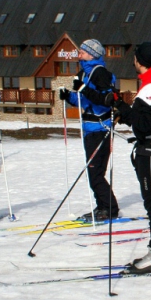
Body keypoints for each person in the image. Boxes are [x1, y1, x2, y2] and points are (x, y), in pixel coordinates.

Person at [108, 42, 151, 274]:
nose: (133, 61)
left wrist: (125, 110)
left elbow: (143, 124)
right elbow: (143, 117)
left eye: (135, 58)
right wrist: (121, 106)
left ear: (140, 61)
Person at [58, 39, 120, 222]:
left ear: (92, 54)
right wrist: (69, 96)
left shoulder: (99, 73)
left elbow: (106, 99)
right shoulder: (84, 73)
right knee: (94, 171)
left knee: (95, 172)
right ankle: (102, 206)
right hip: (90, 128)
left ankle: (110, 208)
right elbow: (83, 101)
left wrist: (83, 89)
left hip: (100, 128)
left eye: (83, 52)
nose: (79, 54)